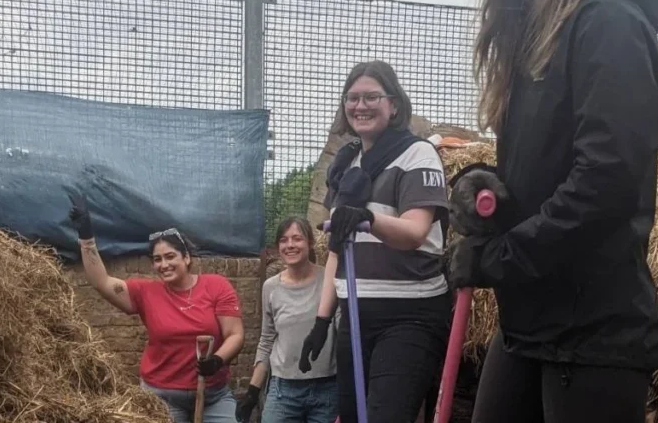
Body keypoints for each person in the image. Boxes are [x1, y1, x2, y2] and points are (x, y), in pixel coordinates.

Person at [446, 0, 658, 422]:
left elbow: (605, 180)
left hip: (593, 332)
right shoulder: (542, 33)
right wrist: (483, 182)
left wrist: (501, 259)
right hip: (533, 323)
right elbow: (539, 172)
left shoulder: (609, 23)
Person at [298, 60, 452, 423]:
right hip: (354, 314)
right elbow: (338, 248)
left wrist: (368, 218)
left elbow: (415, 231)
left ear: (394, 104)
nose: (360, 106)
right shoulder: (346, 164)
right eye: (352, 98)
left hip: (410, 315)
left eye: (371, 97)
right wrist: (321, 321)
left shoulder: (418, 154)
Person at [67, 191, 244, 423]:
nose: (164, 264)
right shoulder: (146, 292)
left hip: (212, 394)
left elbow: (235, 334)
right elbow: (102, 282)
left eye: (170, 256)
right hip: (162, 396)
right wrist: (86, 237)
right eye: (157, 259)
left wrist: (217, 360)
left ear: (186, 258)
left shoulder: (216, 286)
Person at [235, 216, 339, 423]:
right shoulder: (271, 287)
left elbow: (342, 332)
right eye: (284, 240)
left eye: (297, 239)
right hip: (284, 390)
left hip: (327, 389)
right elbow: (266, 340)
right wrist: (252, 393)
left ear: (310, 243)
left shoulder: (329, 280)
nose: (290, 245)